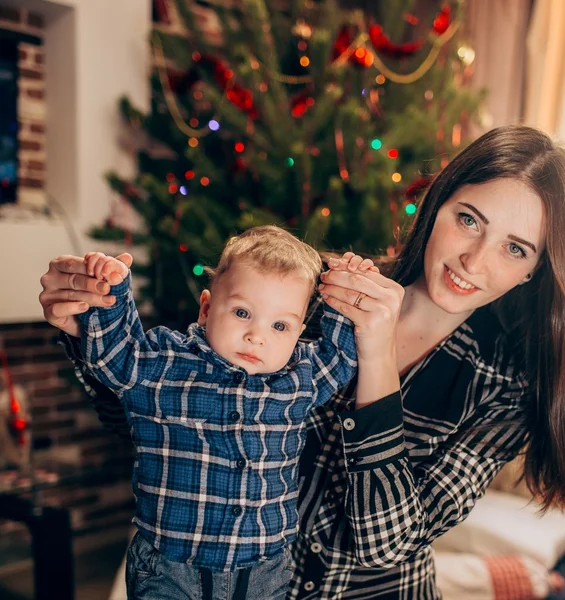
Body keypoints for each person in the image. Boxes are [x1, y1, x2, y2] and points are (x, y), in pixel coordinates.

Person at [39, 125, 565, 599]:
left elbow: (387, 544)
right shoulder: (308, 294)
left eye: (515, 249)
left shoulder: (508, 388)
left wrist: (376, 356)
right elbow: (166, 424)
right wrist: (86, 332)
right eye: (469, 219)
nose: (476, 260)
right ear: (438, 206)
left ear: (532, 272)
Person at [63, 225, 400, 600]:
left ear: (298, 332)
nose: (258, 335)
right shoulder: (164, 363)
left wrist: (347, 293)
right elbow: (114, 357)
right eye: (242, 312)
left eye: (279, 325)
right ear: (206, 308)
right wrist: (110, 288)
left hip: (262, 571)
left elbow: (341, 357)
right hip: (170, 568)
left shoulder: (299, 378)